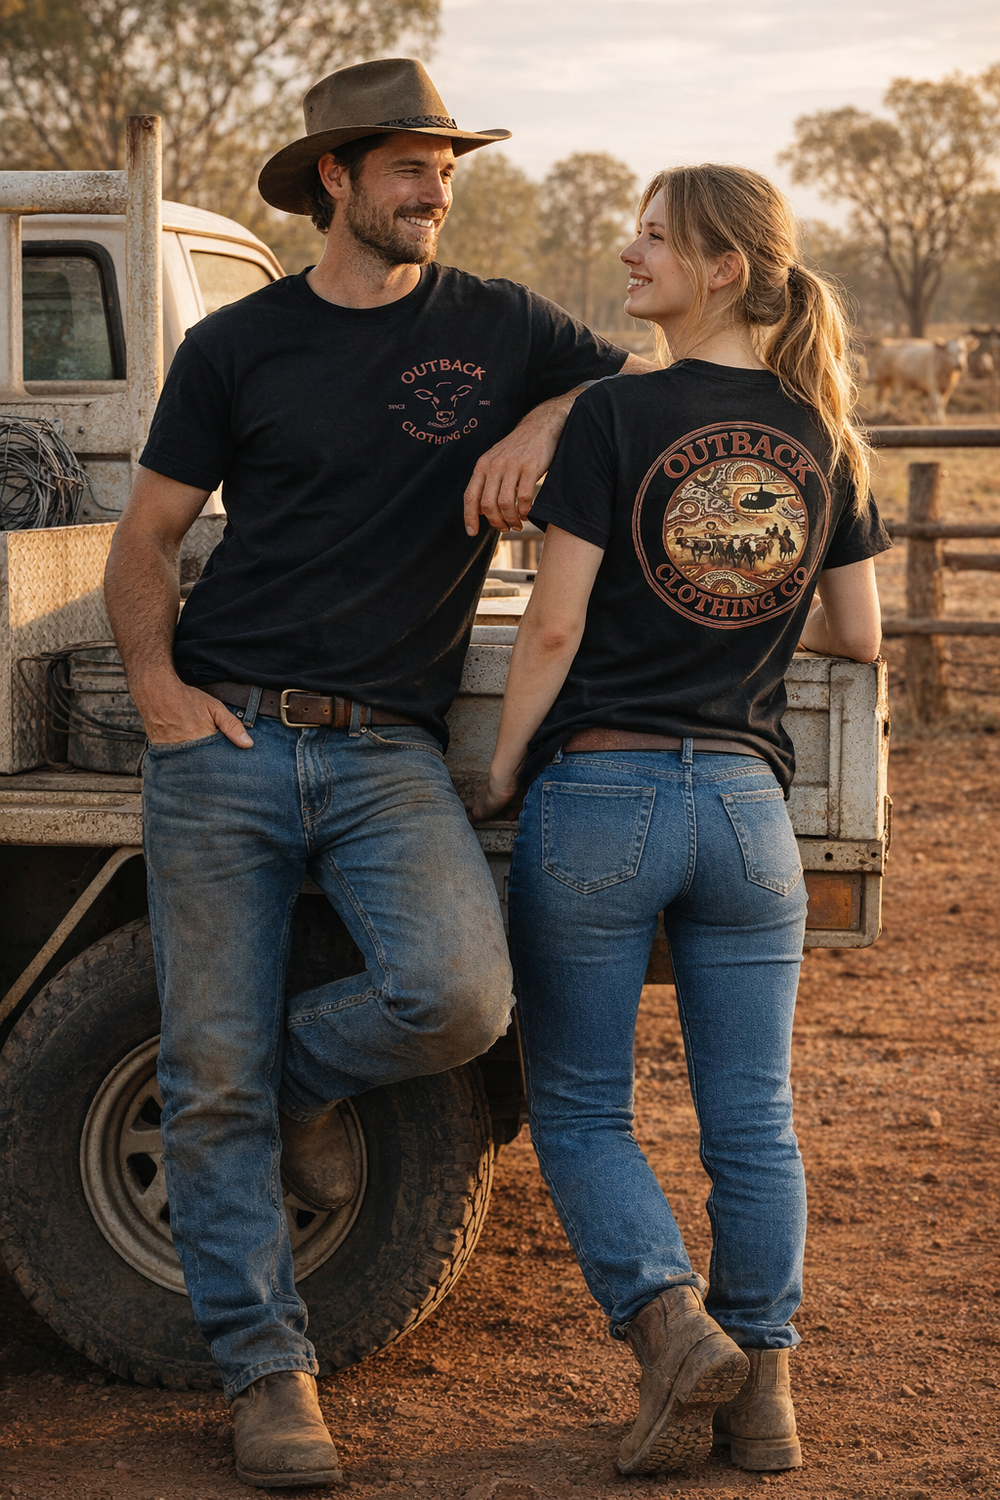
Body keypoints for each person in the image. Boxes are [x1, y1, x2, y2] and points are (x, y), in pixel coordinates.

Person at [104, 56, 653, 1490]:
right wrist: (160, 694)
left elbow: (636, 376)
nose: (437, 187)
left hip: (387, 749)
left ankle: (287, 1084)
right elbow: (148, 538)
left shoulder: (501, 326)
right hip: (223, 740)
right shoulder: (240, 348)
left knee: (461, 997)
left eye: (447, 164)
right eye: (410, 164)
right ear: (335, 182)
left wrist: (546, 418)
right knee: (201, 1073)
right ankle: (268, 1377)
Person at [467, 163, 889, 1478]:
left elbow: (551, 619)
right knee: (752, 1114)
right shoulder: (822, 434)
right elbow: (863, 637)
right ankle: (764, 1396)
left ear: (723, 269)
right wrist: (736, 606)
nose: (631, 253)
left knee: (585, 1106)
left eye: (656, 238)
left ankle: (670, 1324)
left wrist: (503, 762)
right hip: (750, 814)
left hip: (602, 794)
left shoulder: (613, 412)